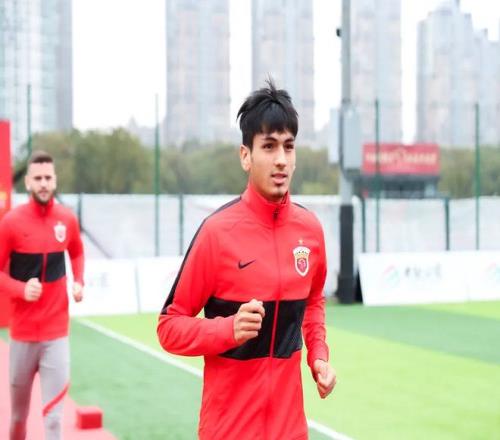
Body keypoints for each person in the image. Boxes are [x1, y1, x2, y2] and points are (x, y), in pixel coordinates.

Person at [157, 80, 336, 439]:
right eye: (268, 146)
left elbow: (313, 302)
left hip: (290, 431)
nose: (281, 159)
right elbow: (169, 327)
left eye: (288, 146)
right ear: (245, 155)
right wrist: (228, 330)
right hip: (228, 431)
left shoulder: (310, 231)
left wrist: (318, 354)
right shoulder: (217, 233)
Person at [0, 151, 85, 440]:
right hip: (22, 335)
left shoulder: (67, 219)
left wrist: (79, 282)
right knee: (18, 418)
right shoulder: (11, 223)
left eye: (48, 177)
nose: (44, 183)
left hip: (56, 334)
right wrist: (21, 289)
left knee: (53, 419)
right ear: (28, 182)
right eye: (38, 178)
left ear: (55, 180)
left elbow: (77, 252)